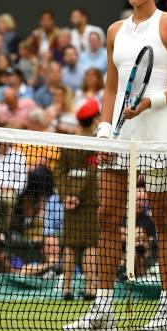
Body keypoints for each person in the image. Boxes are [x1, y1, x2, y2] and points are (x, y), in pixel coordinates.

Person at [63, 0, 167, 331]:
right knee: (107, 215)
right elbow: (112, 86)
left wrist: (151, 102)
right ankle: (103, 309)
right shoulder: (115, 31)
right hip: (120, 138)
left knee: (163, 221)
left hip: (159, 131)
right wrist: (105, 127)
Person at [56, 98, 100, 300]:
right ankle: (91, 288)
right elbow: (92, 173)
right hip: (89, 200)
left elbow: (59, 172)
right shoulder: (95, 141)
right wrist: (77, 196)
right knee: (90, 244)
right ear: (94, 119)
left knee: (70, 245)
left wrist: (67, 196)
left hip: (70, 203)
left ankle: (67, 288)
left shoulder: (69, 142)